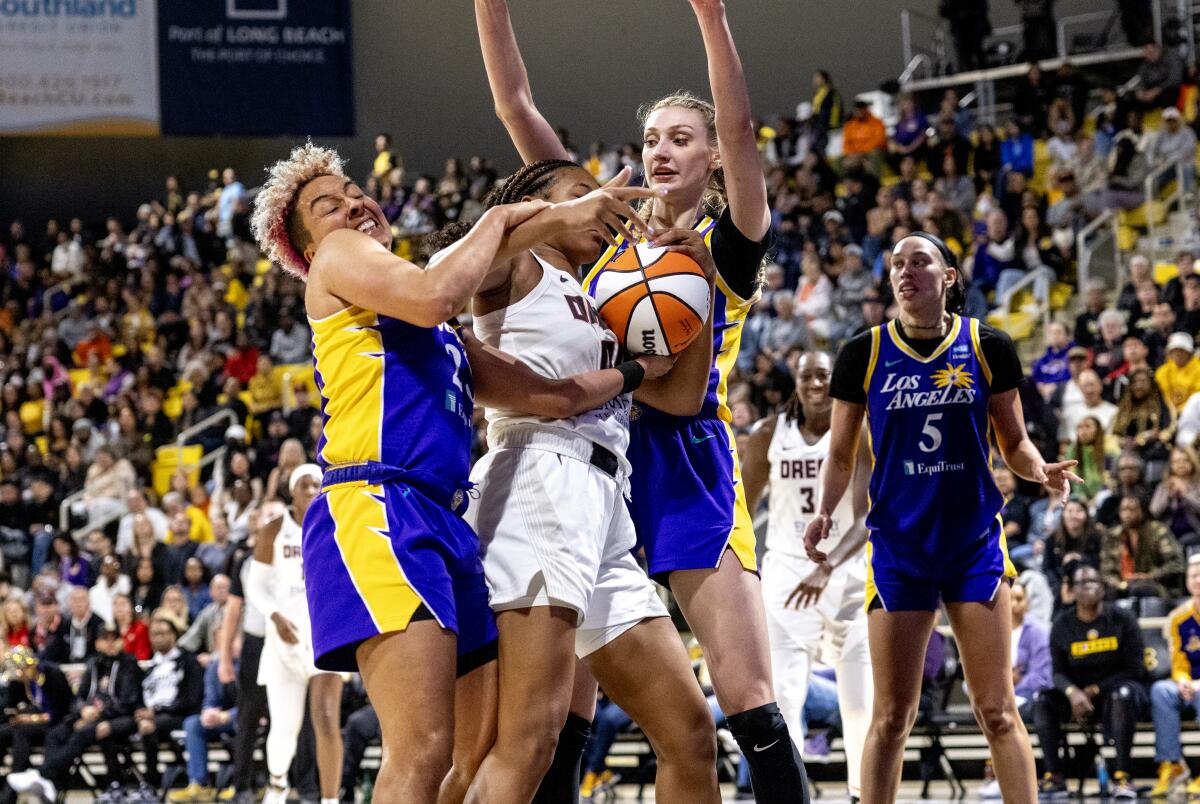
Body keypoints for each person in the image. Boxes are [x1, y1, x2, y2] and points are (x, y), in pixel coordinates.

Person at [249, 141, 663, 804]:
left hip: (444, 518)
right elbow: (439, 292)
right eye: (327, 207)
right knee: (423, 750)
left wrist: (642, 371)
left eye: (354, 192)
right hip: (376, 505)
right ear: (308, 247)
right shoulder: (345, 261)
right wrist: (503, 219)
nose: (353, 203)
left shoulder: (433, 328)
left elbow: (550, 397)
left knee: (476, 751)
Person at [475, 0, 810, 797]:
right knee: (565, 715)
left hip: (686, 455)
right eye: (652, 137)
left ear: (711, 161)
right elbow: (516, 110)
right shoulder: (603, 226)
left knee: (745, 697)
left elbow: (740, 130)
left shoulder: (731, 237)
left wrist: (712, 17)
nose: (661, 150)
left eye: (680, 138)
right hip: (593, 449)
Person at [451, 162, 722, 803]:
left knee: (690, 735)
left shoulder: (604, 300)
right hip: (537, 484)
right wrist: (558, 215)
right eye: (583, 194)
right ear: (532, 203)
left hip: (604, 503)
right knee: (527, 740)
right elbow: (468, 258)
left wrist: (703, 289)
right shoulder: (512, 270)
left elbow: (681, 398)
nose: (601, 208)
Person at [810, 231, 1081, 802]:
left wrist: (1040, 471)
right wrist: (823, 513)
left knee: (997, 710)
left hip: (972, 546)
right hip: (899, 550)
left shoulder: (988, 345)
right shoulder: (863, 352)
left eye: (920, 262)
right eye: (896, 265)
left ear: (949, 277)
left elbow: (1015, 443)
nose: (905, 272)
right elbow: (839, 454)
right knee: (891, 717)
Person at [741, 350, 873, 801]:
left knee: (860, 699)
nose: (816, 384)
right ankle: (791, 794)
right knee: (785, 697)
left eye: (824, 376)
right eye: (807, 377)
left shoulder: (858, 428)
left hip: (849, 568)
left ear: (836, 381)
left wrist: (830, 567)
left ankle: (861, 792)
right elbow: (741, 510)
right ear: (795, 382)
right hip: (786, 571)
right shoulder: (768, 434)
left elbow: (869, 513)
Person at [243, 467, 344, 804]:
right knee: (285, 728)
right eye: (305, 484)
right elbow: (254, 585)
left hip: (325, 636)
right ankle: (277, 784)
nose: (314, 489)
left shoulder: (336, 525)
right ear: (292, 491)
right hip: (284, 640)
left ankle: (330, 800)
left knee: (328, 718)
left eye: (318, 483)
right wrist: (274, 615)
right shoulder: (275, 530)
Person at [1034, 564, 1146, 798]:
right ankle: (1054, 776)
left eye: (1094, 582)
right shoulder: (1062, 625)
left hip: (1116, 689)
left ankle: (1123, 776)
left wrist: (1095, 690)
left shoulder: (1122, 619)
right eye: (1083, 583)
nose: (1089, 587)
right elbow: (1057, 673)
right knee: (1043, 701)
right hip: (1077, 696)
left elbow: (1135, 669)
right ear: (1072, 591)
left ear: (1103, 589)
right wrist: (1072, 692)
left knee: (1122, 695)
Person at [7, 624, 144, 801]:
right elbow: (78, 697)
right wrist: (84, 710)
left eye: (114, 639)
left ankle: (43, 775)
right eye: (105, 639)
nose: (110, 643)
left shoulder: (129, 664)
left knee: (82, 732)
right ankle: (52, 785)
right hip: (88, 717)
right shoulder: (93, 664)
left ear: (121, 641)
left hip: (118, 718)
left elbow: (129, 701)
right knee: (56, 734)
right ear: (97, 643)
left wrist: (98, 714)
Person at [168, 622, 239, 803]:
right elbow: (210, 699)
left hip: (248, 719)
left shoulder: (249, 665)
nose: (224, 644)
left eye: (228, 638)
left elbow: (255, 706)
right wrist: (209, 713)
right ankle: (199, 784)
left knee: (245, 723)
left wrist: (227, 716)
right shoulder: (214, 667)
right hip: (222, 719)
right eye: (218, 641)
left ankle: (241, 784)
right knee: (193, 723)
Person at [0, 645, 72, 784]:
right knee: (4, 730)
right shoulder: (25, 682)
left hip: (57, 723)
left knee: (21, 731)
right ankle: (4, 779)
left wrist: (31, 719)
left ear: (30, 665)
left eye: (20, 669)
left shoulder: (51, 673)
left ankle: (16, 777)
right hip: (37, 720)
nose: (18, 673)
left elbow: (59, 712)